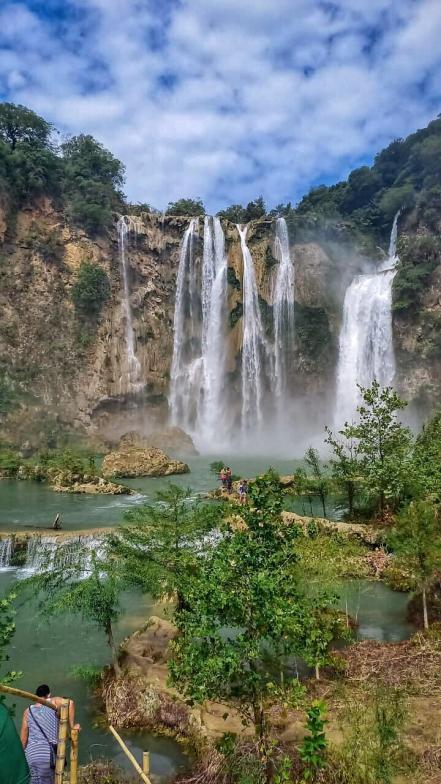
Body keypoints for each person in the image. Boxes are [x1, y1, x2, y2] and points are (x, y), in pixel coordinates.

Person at [21, 685, 80, 784]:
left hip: (30, 756)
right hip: (47, 756)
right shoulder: (53, 702)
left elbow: (23, 741)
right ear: (49, 694)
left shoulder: (28, 711)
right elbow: (70, 703)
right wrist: (72, 727)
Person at [0, 701, 30, 784]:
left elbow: (24, 737)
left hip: (31, 753)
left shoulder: (28, 711)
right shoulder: (2, 711)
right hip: (45, 753)